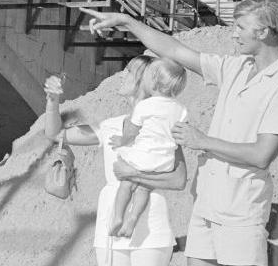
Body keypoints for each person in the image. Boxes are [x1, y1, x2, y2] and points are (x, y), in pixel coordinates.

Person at [85, 0, 278, 266]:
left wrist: (203, 141)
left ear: (262, 32)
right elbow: (175, 52)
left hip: (241, 211)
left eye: (240, 27)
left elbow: (262, 155)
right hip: (206, 202)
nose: (233, 33)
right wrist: (127, 21)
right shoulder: (235, 68)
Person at [45, 56, 187, 266]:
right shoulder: (110, 125)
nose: (122, 74)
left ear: (145, 81)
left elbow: (179, 180)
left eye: (129, 71)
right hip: (110, 221)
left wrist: (133, 174)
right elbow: (56, 134)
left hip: (151, 225)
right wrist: (52, 99)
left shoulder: (163, 125)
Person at [109, 61, 188, 238]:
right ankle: (133, 219)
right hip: (164, 161)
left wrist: (121, 141)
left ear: (152, 82)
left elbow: (131, 134)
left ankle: (118, 216)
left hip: (143, 156)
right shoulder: (181, 109)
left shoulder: (144, 106)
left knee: (126, 183)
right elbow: (181, 131)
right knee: (143, 188)